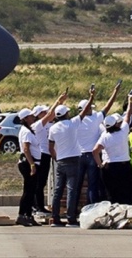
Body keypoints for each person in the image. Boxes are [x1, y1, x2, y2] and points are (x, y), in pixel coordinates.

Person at [48, 89, 94, 227]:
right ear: (66, 114)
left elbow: (50, 147)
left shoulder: (53, 128)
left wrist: (56, 158)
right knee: (71, 190)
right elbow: (85, 111)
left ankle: (55, 218)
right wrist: (91, 97)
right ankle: (70, 218)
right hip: (73, 160)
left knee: (58, 190)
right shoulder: (72, 123)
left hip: (60, 160)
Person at [76, 83, 121, 207]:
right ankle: (92, 208)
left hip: (79, 155)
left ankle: (73, 212)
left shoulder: (76, 120)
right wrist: (115, 92)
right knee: (92, 185)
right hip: (92, 155)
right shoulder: (95, 118)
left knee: (76, 185)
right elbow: (108, 105)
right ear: (88, 108)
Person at [93, 113, 132, 204]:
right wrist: (129, 103)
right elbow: (127, 118)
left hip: (110, 167)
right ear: (116, 124)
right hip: (124, 166)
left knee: (112, 194)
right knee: (126, 193)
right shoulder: (123, 131)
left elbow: (95, 151)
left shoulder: (104, 136)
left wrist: (100, 164)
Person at [15, 108, 42, 226]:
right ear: (25, 119)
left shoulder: (29, 130)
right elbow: (26, 149)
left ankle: (28, 215)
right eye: (30, 116)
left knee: (31, 191)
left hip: (32, 162)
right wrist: (32, 164)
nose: (33, 117)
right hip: (28, 163)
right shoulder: (25, 132)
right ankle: (22, 215)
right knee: (28, 190)